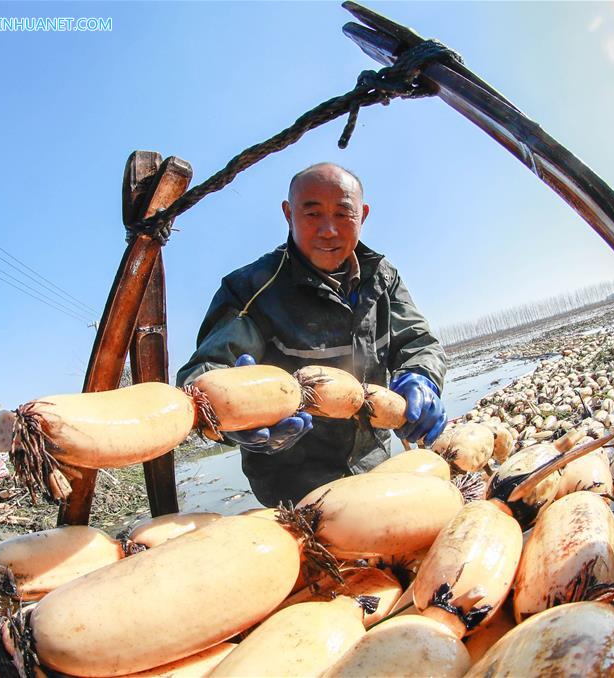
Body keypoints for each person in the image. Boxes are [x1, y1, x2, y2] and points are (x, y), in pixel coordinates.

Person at [176, 163, 447, 507]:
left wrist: (422, 378)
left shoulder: (382, 277)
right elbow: (204, 375)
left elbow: (418, 341)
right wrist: (230, 418)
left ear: (362, 215)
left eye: (343, 213)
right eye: (313, 213)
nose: (329, 230)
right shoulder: (252, 288)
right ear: (288, 214)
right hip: (291, 486)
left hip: (374, 467)